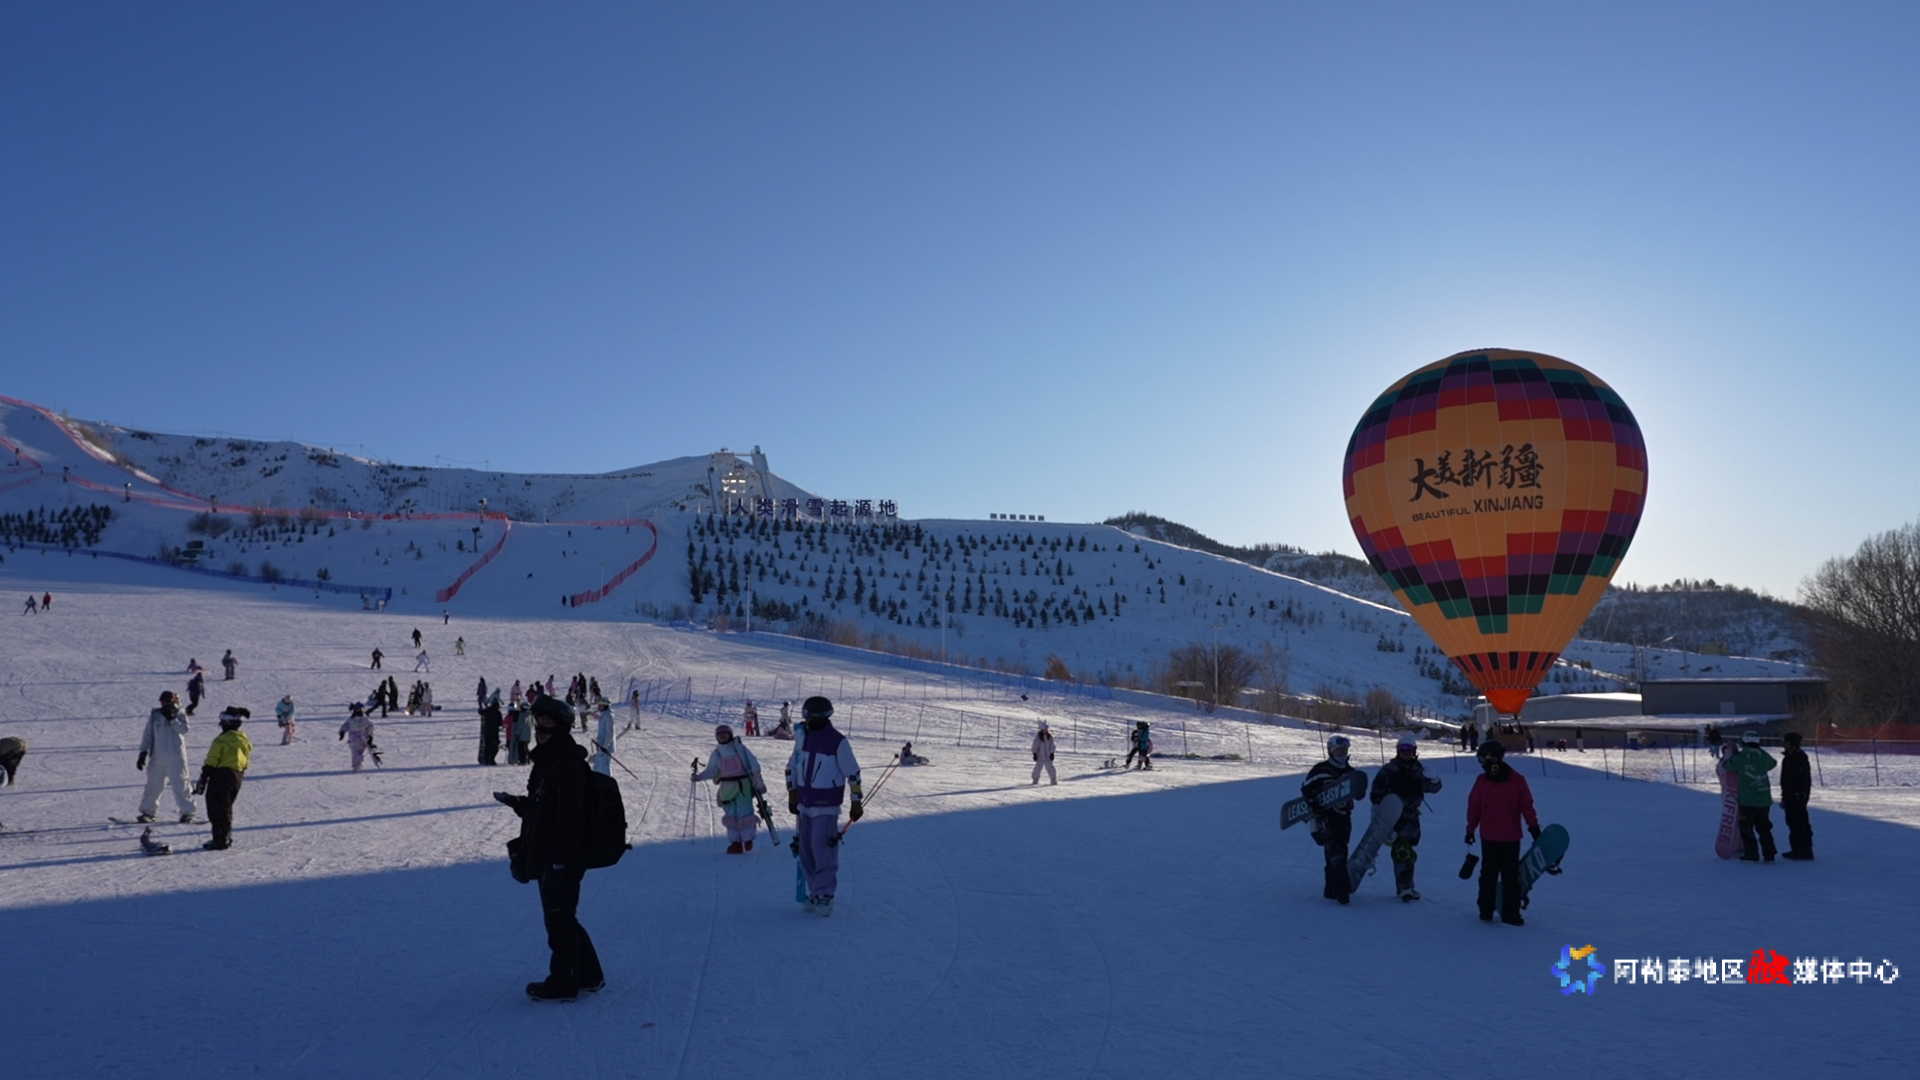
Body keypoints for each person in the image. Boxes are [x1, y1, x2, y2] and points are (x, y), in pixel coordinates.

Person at [493, 696, 604, 1001]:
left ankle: (563, 983)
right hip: (551, 853)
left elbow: (571, 817)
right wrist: (520, 804)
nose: (541, 731)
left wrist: (558, 859)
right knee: (563, 916)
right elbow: (546, 809)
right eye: (538, 724)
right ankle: (590, 975)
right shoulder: (549, 761)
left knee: (559, 920)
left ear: (562, 726)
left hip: (563, 856)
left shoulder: (567, 765)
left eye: (547, 724)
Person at [785, 696, 862, 916]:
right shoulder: (802, 738)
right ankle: (815, 891)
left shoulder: (837, 741)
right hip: (805, 805)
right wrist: (793, 794)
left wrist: (856, 801)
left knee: (823, 850)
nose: (805, 719)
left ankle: (825, 894)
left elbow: (853, 774)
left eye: (807, 714)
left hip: (826, 806)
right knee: (806, 850)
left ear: (817, 716)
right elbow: (791, 768)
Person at [1465, 741, 1539, 925]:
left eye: (1482, 759)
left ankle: (1510, 914)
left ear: (1493, 758)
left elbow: (1527, 807)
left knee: (1508, 877)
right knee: (1489, 877)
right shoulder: (1482, 781)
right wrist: (1470, 829)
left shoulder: (1517, 781)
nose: (1481, 764)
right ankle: (1486, 911)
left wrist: (1534, 828)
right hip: (1490, 838)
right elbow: (1474, 807)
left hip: (1509, 839)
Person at [1369, 734, 1443, 901]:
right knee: (1401, 850)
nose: (1406, 752)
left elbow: (1431, 788)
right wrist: (1376, 810)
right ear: (1398, 750)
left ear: (1414, 751)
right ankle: (1404, 887)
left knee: (1409, 849)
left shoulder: (1418, 769)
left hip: (1412, 816)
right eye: (1403, 749)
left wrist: (1434, 779)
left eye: (1409, 749)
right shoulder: (1389, 769)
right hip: (1394, 816)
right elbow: (1376, 790)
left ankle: (1407, 885)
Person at [1303, 735, 1362, 904]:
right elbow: (1306, 789)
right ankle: (1342, 892)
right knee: (1337, 854)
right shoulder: (1320, 770)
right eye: (1338, 750)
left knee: (1337, 851)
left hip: (1344, 817)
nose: (1341, 754)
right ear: (1330, 751)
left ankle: (1330, 890)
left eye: (1344, 750)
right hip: (1327, 818)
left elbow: (1359, 794)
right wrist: (1314, 806)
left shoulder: (1350, 772)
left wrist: (1359, 789)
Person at [695, 724, 767, 853]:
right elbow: (712, 770)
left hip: (743, 785)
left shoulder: (739, 748)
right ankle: (736, 843)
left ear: (730, 735)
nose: (722, 736)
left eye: (725, 734)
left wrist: (757, 779)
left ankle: (747, 839)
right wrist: (699, 777)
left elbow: (752, 762)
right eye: (719, 735)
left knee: (745, 812)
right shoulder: (717, 754)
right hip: (727, 789)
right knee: (731, 815)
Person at [196, 708, 252, 850]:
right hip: (237, 776)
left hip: (221, 775)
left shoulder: (221, 740)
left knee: (216, 808)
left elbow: (212, 759)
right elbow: (246, 761)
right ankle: (226, 836)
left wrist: (204, 776)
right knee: (226, 807)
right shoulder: (244, 740)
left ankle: (220, 840)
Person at [137, 690, 197, 823]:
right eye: (163, 701)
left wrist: (172, 719)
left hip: (176, 756)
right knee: (153, 785)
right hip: (157, 757)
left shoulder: (180, 713)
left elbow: (184, 729)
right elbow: (148, 734)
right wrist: (143, 752)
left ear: (174, 701)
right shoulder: (156, 715)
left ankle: (188, 812)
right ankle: (148, 812)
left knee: (181, 784)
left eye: (168, 701)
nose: (165, 704)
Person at [1724, 731, 1778, 862]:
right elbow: (1773, 763)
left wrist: (1732, 754)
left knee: (1746, 829)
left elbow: (1727, 766)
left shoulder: (1741, 758)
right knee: (1764, 828)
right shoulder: (1764, 756)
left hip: (1747, 800)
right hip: (1764, 800)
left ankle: (1751, 854)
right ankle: (1769, 853)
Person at [1781, 732, 1814, 860]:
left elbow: (1803, 780)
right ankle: (1796, 849)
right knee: (1792, 822)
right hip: (1790, 795)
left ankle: (1805, 850)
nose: (1784, 744)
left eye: (1786, 742)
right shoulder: (1788, 757)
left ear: (1792, 743)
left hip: (1798, 796)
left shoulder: (1799, 758)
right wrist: (1785, 796)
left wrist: (1801, 796)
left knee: (1801, 823)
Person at [339, 703, 376, 772]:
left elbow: (370, 727)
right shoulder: (351, 720)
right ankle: (356, 765)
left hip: (362, 739)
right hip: (353, 740)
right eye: (358, 709)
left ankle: (358, 765)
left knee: (359, 753)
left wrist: (370, 736)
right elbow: (345, 726)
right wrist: (342, 732)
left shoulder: (365, 719)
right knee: (354, 753)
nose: (359, 710)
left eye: (361, 709)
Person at [589, 699, 616, 776]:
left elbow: (610, 733)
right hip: (601, 746)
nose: (599, 707)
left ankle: (607, 782)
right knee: (598, 767)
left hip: (605, 747)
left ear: (605, 706)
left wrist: (605, 746)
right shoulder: (604, 715)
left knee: (604, 768)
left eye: (600, 705)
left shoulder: (608, 716)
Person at [480, 691, 504, 766]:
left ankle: (486, 759)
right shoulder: (498, 713)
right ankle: (492, 759)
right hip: (494, 732)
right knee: (494, 747)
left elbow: (481, 712)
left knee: (487, 746)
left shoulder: (488, 710)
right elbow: (500, 723)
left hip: (487, 731)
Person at [1031, 721, 1057, 785]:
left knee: (1051, 769)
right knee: (1037, 769)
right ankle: (1035, 780)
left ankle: (1053, 780)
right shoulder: (1038, 737)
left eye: (1046, 729)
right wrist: (1035, 753)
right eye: (1045, 729)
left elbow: (1052, 745)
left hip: (1048, 757)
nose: (1046, 730)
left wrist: (1052, 753)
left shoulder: (1050, 737)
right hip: (1040, 757)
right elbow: (1035, 745)